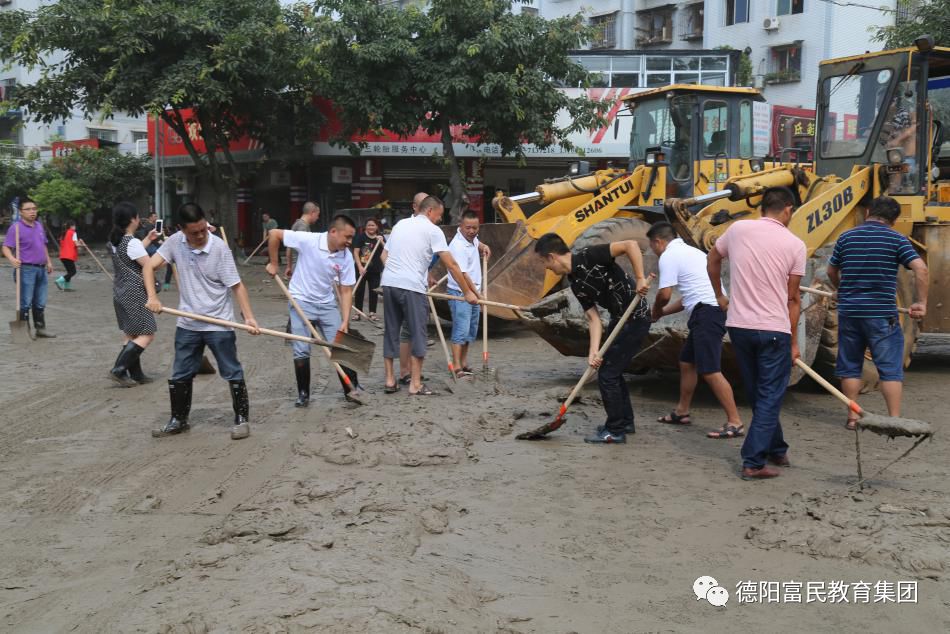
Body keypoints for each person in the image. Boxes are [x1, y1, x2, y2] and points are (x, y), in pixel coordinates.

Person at [707, 187, 806, 480]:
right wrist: (794, 343)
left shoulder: (738, 229)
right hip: (774, 329)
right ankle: (752, 461)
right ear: (788, 209)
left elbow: (712, 259)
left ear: (763, 207)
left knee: (757, 392)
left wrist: (719, 295)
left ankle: (776, 449)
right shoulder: (795, 244)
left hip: (739, 327)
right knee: (770, 396)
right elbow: (793, 298)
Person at [145, 203, 261, 441]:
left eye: (203, 230)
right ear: (182, 229)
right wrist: (152, 297)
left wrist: (248, 316)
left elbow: (237, 286)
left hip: (219, 323)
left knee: (231, 370)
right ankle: (178, 420)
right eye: (194, 232)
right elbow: (148, 266)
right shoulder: (175, 242)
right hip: (188, 323)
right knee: (180, 373)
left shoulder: (219, 248)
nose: (200, 235)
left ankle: (241, 419)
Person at [535, 233, 650, 443]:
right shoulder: (575, 283)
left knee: (608, 374)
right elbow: (593, 318)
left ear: (552, 257)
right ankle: (625, 422)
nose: (547, 268)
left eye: (544, 262)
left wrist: (640, 278)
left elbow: (630, 244)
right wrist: (593, 351)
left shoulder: (590, 255)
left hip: (636, 317)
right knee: (610, 370)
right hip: (619, 319)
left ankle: (615, 431)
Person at [826, 196, 928, 429]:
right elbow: (921, 269)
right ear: (894, 220)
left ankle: (853, 418)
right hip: (881, 314)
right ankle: (893, 419)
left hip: (850, 313)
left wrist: (842, 290)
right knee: (890, 369)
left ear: (868, 212)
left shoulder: (846, 237)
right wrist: (921, 303)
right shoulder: (897, 239)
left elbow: (831, 270)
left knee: (850, 367)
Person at [647, 221, 744, 438]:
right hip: (708, 311)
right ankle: (682, 411)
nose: (653, 251)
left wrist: (655, 310)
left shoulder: (669, 256)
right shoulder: (693, 253)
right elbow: (687, 298)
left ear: (658, 242)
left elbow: (664, 294)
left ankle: (735, 421)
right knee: (687, 362)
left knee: (710, 370)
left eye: (652, 247)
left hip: (707, 314)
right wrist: (661, 314)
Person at [381, 195, 478, 396]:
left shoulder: (400, 224)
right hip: (412, 287)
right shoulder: (433, 230)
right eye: (439, 215)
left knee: (391, 331)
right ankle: (415, 384)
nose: (439, 219)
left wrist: (400, 271)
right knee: (419, 334)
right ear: (430, 211)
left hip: (389, 283)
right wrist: (467, 292)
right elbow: (452, 264)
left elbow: (384, 255)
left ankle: (390, 380)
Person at [265, 214, 363, 407]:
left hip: (327, 304)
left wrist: (345, 321)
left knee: (342, 345)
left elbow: (346, 291)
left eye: (352, 238)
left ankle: (351, 389)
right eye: (347, 237)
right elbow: (274, 234)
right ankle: (303, 394)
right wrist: (274, 263)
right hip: (301, 301)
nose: (350, 242)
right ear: (333, 232)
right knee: (301, 349)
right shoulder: (309, 240)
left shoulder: (345, 256)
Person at [107, 202, 160, 387]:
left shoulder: (115, 241)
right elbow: (149, 265)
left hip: (120, 291)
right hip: (135, 292)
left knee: (132, 334)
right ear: (133, 219)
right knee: (147, 333)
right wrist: (166, 254)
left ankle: (136, 374)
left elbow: (129, 254)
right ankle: (119, 369)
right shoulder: (132, 242)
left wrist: (148, 240)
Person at [2, 197, 56, 337]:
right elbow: (6, 247)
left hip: (41, 268)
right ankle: (24, 332)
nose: (32, 212)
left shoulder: (39, 226)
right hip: (25, 269)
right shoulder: (16, 228)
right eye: (28, 209)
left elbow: (43, 245)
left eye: (34, 209)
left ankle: (40, 329)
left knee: (40, 301)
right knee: (25, 302)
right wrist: (12, 259)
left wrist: (49, 261)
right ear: (21, 212)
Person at [447, 211, 483, 377]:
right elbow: (463, 274)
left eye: (475, 228)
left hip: (473, 291)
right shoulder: (458, 246)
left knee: (470, 331)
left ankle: (463, 362)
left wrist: (483, 246)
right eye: (468, 228)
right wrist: (478, 295)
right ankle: (456, 366)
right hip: (460, 292)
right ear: (460, 226)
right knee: (461, 330)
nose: (471, 231)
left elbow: (477, 241)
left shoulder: (472, 239)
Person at [352, 217, 385, 321]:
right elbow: (356, 252)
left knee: (373, 291)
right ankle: (358, 313)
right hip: (361, 268)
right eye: (369, 225)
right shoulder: (360, 237)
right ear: (365, 227)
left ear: (377, 227)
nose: (371, 227)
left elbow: (387, 250)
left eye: (373, 225)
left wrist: (381, 241)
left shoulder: (380, 237)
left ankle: (372, 313)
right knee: (359, 291)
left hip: (375, 269)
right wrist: (360, 267)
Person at [284, 201, 320, 278]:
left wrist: (289, 266)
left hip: (296, 266)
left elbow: (289, 248)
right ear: (312, 213)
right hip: (300, 267)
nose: (318, 218)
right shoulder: (302, 227)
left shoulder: (297, 224)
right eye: (317, 215)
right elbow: (306, 250)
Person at [55, 219, 86, 291]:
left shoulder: (63, 234)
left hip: (63, 256)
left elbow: (69, 243)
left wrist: (79, 242)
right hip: (69, 255)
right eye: (74, 225)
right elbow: (76, 244)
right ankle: (59, 280)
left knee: (69, 272)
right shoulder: (73, 233)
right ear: (71, 226)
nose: (75, 227)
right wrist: (83, 244)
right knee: (73, 272)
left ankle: (67, 288)